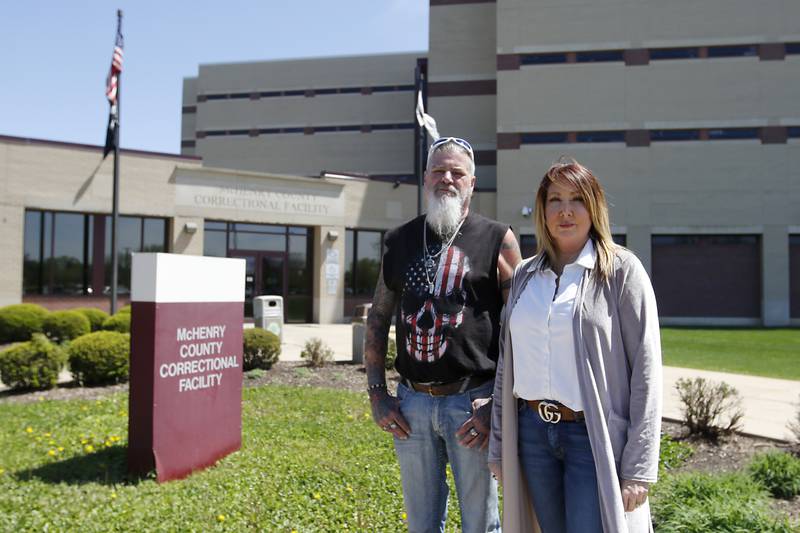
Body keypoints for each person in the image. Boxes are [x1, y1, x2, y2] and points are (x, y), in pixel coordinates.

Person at [488, 159, 662, 533]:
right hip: (532, 433)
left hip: (590, 438)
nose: (565, 210)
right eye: (555, 199)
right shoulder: (524, 275)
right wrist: (500, 445)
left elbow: (646, 372)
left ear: (594, 206)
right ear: (543, 209)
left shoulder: (622, 272)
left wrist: (638, 466)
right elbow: (508, 364)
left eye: (577, 199)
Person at [365, 136, 522, 533]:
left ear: (472, 182)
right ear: (425, 179)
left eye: (457, 172)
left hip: (472, 404)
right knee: (421, 525)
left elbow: (521, 330)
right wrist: (377, 393)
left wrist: (496, 406)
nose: (447, 179)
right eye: (438, 171)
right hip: (411, 406)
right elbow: (379, 318)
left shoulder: (497, 239)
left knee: (480, 525)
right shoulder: (399, 241)